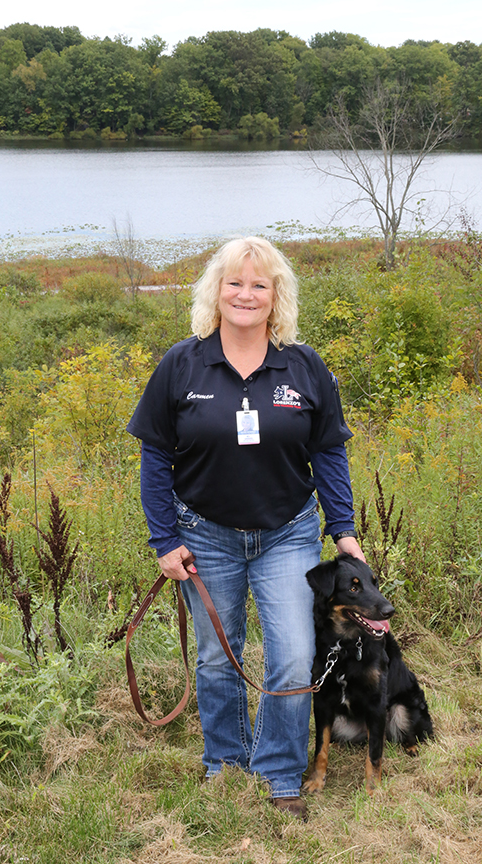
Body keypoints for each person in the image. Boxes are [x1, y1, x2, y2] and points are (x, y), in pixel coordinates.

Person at [127, 236, 364, 820]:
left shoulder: (305, 367)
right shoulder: (182, 364)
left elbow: (329, 453)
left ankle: (280, 771)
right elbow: (156, 457)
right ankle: (225, 763)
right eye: (235, 282)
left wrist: (345, 533)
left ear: (276, 295)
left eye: (259, 284)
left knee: (292, 653)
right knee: (216, 656)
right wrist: (165, 541)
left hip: (287, 534)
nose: (246, 294)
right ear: (216, 291)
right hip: (204, 535)